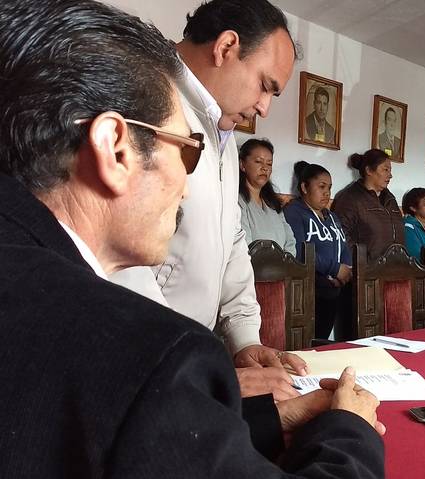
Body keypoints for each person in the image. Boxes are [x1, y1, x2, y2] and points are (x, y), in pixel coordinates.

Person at [0, 1, 385, 477]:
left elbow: (135, 434)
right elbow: (136, 396)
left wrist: (255, 397)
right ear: (114, 148)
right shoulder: (136, 348)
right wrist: (351, 428)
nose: (186, 190)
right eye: (185, 151)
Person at [110, 0, 307, 401]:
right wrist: (186, 369)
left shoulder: (224, 137)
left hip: (183, 363)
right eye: (265, 85)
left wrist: (245, 339)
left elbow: (231, 238)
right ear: (226, 47)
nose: (265, 108)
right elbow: (115, 251)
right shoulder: (142, 95)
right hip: (138, 368)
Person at [331, 148, 404, 339]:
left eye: (390, 170)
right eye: (385, 169)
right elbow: (341, 235)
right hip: (363, 277)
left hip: (392, 277)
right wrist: (361, 263)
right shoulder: (350, 197)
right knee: (361, 335)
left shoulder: (389, 198)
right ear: (369, 170)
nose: (390, 175)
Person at [283, 162, 351, 339]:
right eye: (321, 187)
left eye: (329, 188)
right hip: (309, 292)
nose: (327, 193)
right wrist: (335, 269)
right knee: (308, 342)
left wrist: (345, 270)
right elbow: (299, 250)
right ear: (304, 187)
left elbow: (343, 245)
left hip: (334, 291)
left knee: (322, 340)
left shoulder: (331, 216)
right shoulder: (294, 212)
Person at [238, 138, 296, 255]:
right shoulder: (238, 201)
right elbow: (243, 245)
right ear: (242, 165)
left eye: (269, 163)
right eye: (258, 161)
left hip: (282, 266)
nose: (265, 168)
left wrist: (286, 263)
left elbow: (290, 240)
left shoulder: (273, 203)